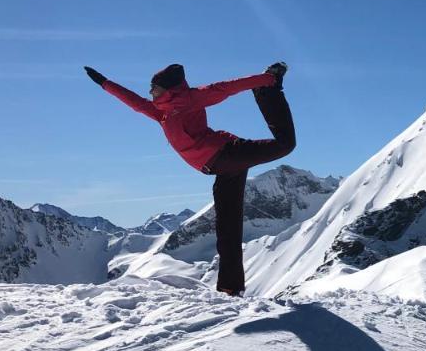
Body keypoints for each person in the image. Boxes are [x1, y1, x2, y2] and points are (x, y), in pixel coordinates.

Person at [84, 62, 295, 297]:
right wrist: (105, 83)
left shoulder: (192, 98)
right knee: (228, 226)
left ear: (168, 89)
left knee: (285, 145)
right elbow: (134, 103)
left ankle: (269, 89)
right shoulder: (161, 111)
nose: (150, 93)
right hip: (219, 167)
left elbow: (226, 88)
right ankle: (230, 288)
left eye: (153, 88)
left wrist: (265, 79)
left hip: (229, 154)